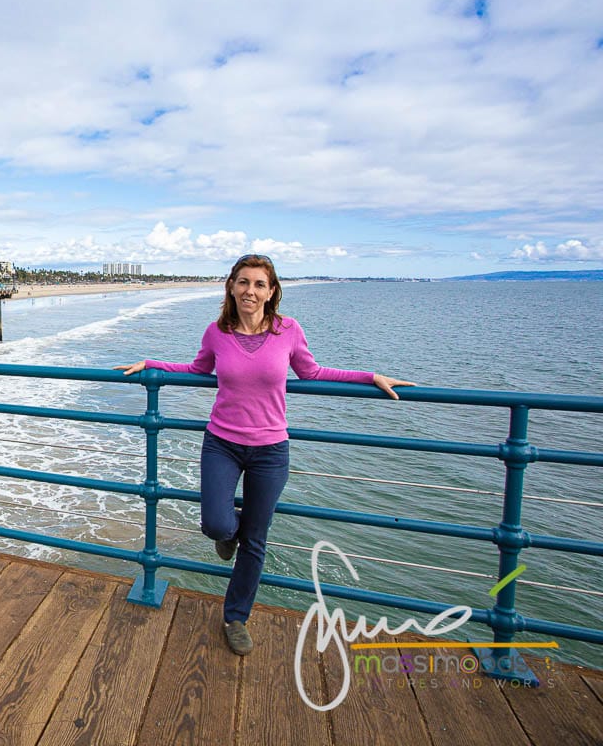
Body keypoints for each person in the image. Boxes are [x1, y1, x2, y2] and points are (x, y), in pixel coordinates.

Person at [114, 254, 413, 656]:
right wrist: (152, 364)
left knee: (255, 541)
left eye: (258, 284)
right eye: (242, 282)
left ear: (271, 291)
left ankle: (236, 617)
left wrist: (370, 376)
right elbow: (198, 369)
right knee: (217, 524)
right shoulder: (217, 332)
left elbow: (313, 372)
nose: (249, 291)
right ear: (231, 287)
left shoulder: (287, 331)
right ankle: (227, 534)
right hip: (222, 442)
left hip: (271, 450)